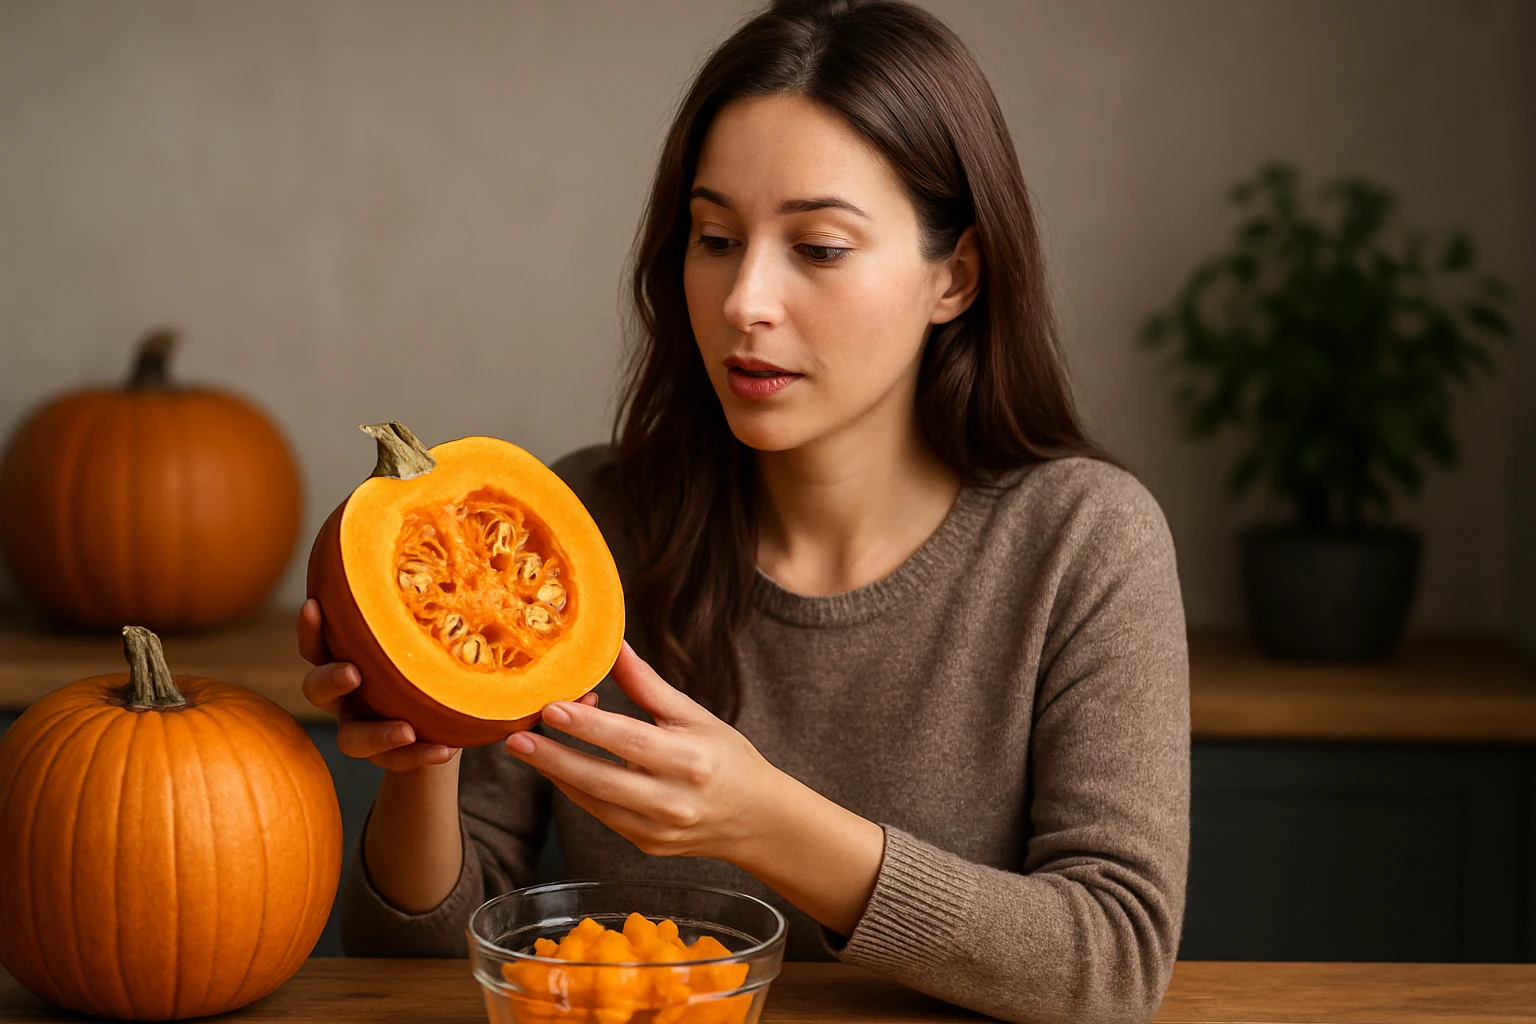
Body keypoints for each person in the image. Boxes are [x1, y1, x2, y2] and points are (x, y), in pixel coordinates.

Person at [296, 1, 1189, 1021]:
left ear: (956, 275)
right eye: (715, 236)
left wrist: (764, 823)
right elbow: (404, 958)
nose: (743, 299)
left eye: (817, 247)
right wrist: (428, 744)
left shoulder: (1087, 540)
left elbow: (1113, 962)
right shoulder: (587, 521)